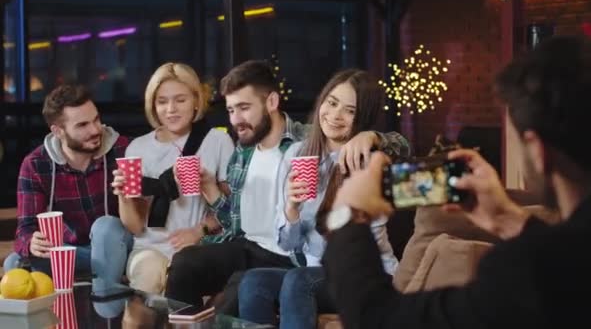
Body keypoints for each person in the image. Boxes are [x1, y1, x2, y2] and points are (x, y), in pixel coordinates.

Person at [322, 35, 591, 328]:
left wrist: (348, 213)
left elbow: (377, 319)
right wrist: (509, 219)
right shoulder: (579, 250)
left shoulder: (527, 270)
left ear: (538, 151)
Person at [165, 60, 409, 312]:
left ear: (271, 102)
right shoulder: (243, 152)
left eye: (244, 108)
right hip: (250, 244)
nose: (236, 119)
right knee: (185, 263)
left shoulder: (307, 141)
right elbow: (233, 223)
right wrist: (210, 189)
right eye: (231, 110)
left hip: (291, 256)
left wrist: (371, 136)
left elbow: (400, 146)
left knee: (242, 289)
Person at [237, 69, 401, 328]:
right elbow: (288, 243)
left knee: (299, 281)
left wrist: (352, 206)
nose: (335, 115)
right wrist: (291, 208)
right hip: (316, 274)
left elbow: (373, 244)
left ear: (363, 117)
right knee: (253, 282)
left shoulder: (369, 161)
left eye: (349, 110)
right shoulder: (296, 154)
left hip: (367, 275)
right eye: (332, 103)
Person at [111, 63, 234, 294]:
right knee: (148, 278)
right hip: (149, 248)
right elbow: (136, 227)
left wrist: (200, 231)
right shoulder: (138, 148)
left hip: (198, 247)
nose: (171, 109)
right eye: (162, 101)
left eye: (180, 100)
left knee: (184, 289)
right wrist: (123, 196)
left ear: (196, 100)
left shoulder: (217, 141)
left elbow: (232, 208)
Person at [3, 84, 132, 284]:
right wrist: (31, 243)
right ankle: (102, 275)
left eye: (96, 119)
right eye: (82, 125)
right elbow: (25, 228)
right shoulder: (36, 164)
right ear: (58, 131)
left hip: (119, 245)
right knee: (15, 264)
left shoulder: (124, 150)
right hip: (74, 252)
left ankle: (105, 298)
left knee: (105, 227)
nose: (95, 129)